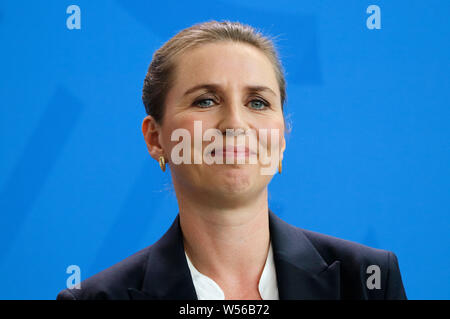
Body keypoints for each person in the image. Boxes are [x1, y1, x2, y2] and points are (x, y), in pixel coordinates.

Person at [56, 20, 406, 300]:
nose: (235, 124)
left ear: (281, 138)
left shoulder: (367, 282)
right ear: (155, 139)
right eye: (206, 101)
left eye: (257, 103)